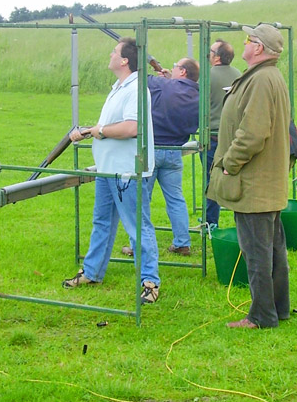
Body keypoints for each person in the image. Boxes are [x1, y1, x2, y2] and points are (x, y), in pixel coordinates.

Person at [62, 38, 161, 304]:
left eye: (115, 51)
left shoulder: (136, 88)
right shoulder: (119, 87)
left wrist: (100, 131)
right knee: (102, 222)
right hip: (108, 170)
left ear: (125, 60)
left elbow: (132, 127)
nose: (110, 54)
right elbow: (109, 126)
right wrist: (90, 131)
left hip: (127, 171)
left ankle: (150, 282)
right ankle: (92, 272)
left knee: (137, 226)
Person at [207, 24, 291, 329]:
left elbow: (253, 133)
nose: (243, 44)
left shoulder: (262, 79)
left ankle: (261, 316)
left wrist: (230, 163)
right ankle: (277, 309)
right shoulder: (264, 76)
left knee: (257, 254)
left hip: (255, 183)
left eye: (248, 39)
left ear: (258, 48)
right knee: (271, 251)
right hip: (263, 182)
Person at [121, 57, 200, 257]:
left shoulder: (164, 86)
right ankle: (182, 242)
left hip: (152, 150)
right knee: (176, 199)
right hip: (175, 151)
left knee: (141, 199)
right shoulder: (197, 93)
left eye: (175, 66)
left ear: (183, 71)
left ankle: (138, 245)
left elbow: (141, 78)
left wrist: (165, 79)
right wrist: (169, 78)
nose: (172, 68)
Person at [205, 40, 241, 227]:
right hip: (235, 138)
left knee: (211, 181)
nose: (208, 53)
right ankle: (240, 220)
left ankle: (211, 223)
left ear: (217, 56)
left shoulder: (207, 76)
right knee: (235, 179)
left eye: (210, 50)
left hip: (213, 137)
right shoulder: (239, 75)